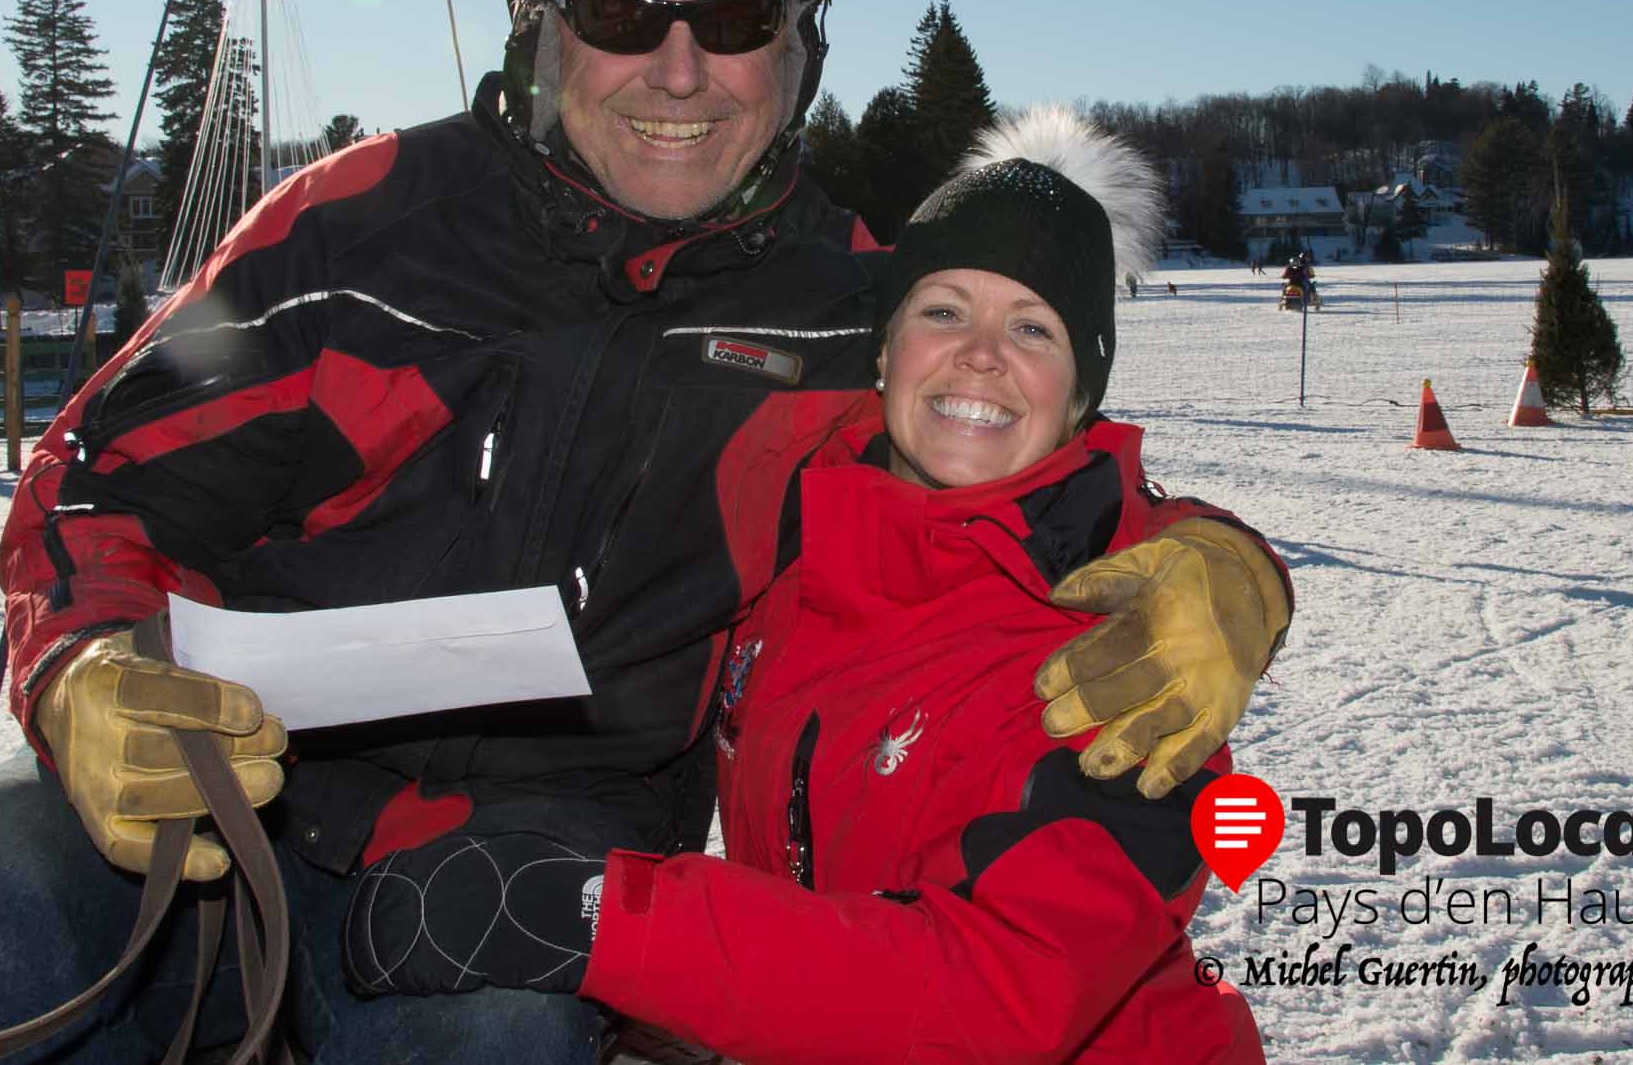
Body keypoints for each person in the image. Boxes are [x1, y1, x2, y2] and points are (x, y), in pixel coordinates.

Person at [0, 0, 1288, 1063]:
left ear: (802, 48)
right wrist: (93, 675)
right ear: (538, 32)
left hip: (521, 859)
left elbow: (1004, 448)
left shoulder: (848, 306)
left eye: (738, 21)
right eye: (622, 17)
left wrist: (1222, 567)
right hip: (208, 789)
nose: (680, 74)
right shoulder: (358, 233)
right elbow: (103, 479)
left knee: (504, 1034)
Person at [338, 109, 1279, 1062]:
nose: (981, 353)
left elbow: (992, 997)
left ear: (1083, 394)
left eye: (1033, 327)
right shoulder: (794, 539)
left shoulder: (1140, 654)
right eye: (943, 308)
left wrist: (598, 922)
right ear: (884, 349)